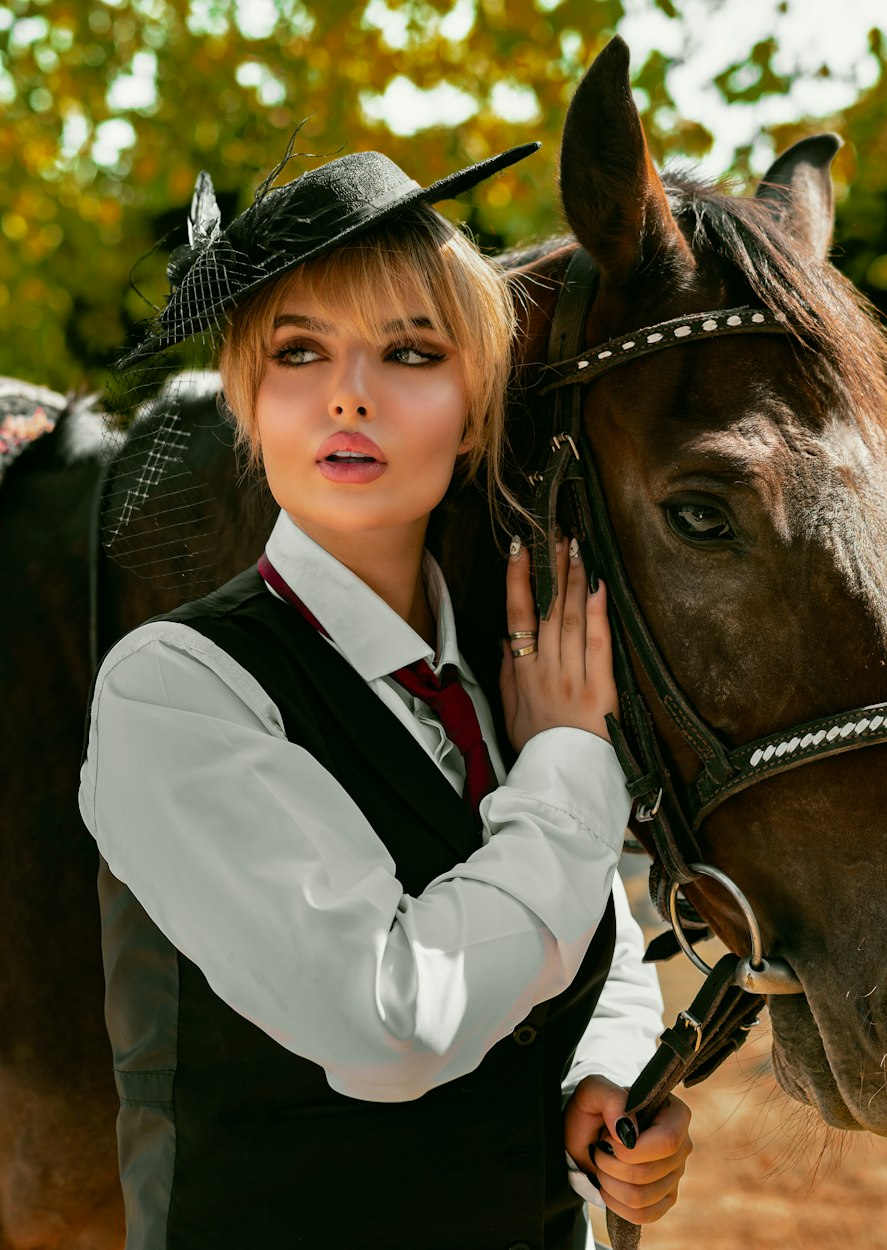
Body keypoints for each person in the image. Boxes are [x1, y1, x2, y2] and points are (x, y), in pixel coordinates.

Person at [79, 137, 692, 1249]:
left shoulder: (511, 671)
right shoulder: (173, 690)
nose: (349, 397)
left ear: (473, 406)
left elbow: (575, 916)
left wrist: (595, 1071)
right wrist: (567, 763)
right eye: (300, 352)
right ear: (248, 402)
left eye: (410, 352)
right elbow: (393, 1023)